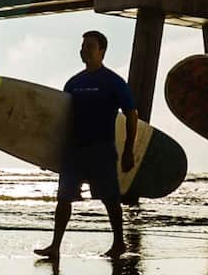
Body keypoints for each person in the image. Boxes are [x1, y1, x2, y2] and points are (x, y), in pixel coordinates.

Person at [35, 30, 139, 260]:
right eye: (83, 46)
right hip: (74, 150)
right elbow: (63, 120)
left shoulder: (113, 82)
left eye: (90, 46)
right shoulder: (73, 83)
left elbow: (131, 114)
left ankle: (119, 243)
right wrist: (47, 152)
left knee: (110, 198)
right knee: (63, 199)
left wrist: (129, 149)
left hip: (101, 149)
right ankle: (55, 246)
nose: (84, 50)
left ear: (102, 50)